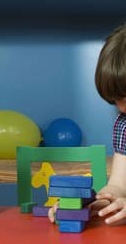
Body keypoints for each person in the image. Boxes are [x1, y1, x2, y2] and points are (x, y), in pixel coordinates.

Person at [48, 24, 126, 225]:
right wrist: (102, 201)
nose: (124, 107)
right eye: (119, 99)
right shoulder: (124, 125)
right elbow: (119, 184)